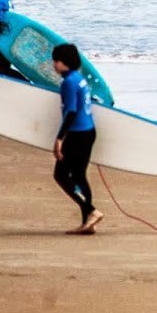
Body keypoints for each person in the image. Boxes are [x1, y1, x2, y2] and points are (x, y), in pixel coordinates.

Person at [51, 43, 103, 235]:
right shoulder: (78, 78)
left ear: (65, 62)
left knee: (61, 175)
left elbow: (71, 112)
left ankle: (91, 211)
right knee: (79, 176)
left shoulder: (69, 83)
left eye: (56, 61)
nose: (54, 65)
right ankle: (88, 223)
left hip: (77, 134)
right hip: (88, 131)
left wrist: (59, 139)